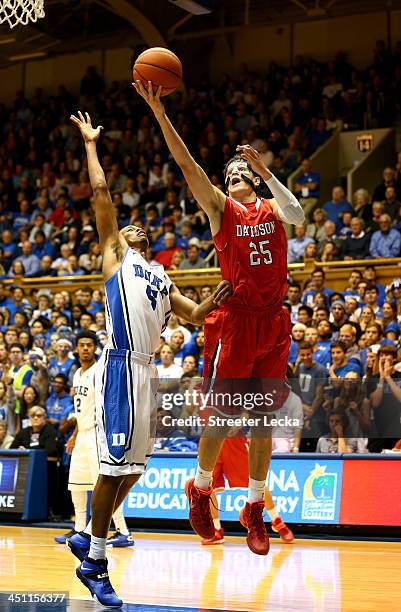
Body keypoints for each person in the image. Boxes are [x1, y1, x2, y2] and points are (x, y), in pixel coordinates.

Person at [66, 111, 232, 607]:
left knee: (135, 468)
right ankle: (95, 559)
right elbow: (102, 197)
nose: (133, 225)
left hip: (146, 372)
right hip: (118, 365)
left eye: (141, 226)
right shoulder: (115, 255)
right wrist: (93, 147)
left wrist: (218, 296)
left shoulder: (161, 275)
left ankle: (86, 539)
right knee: (114, 469)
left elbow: (196, 315)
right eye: (128, 223)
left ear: (151, 241)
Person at [135, 81, 304, 557]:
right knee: (226, 415)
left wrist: (266, 171)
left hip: (274, 322)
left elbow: (300, 216)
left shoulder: (272, 205)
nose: (233, 177)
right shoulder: (220, 208)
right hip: (237, 321)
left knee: (263, 419)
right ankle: (202, 488)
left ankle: (253, 509)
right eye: (229, 174)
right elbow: (187, 164)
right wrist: (159, 112)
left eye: (240, 173)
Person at [54, 331, 133, 547]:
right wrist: (74, 435)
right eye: (82, 345)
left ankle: (123, 532)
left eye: (89, 345)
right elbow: (84, 410)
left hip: (98, 434)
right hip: (83, 434)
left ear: (94, 348)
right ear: (76, 349)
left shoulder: (100, 370)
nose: (86, 348)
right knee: (77, 484)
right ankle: (79, 529)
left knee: (105, 485)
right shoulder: (77, 373)